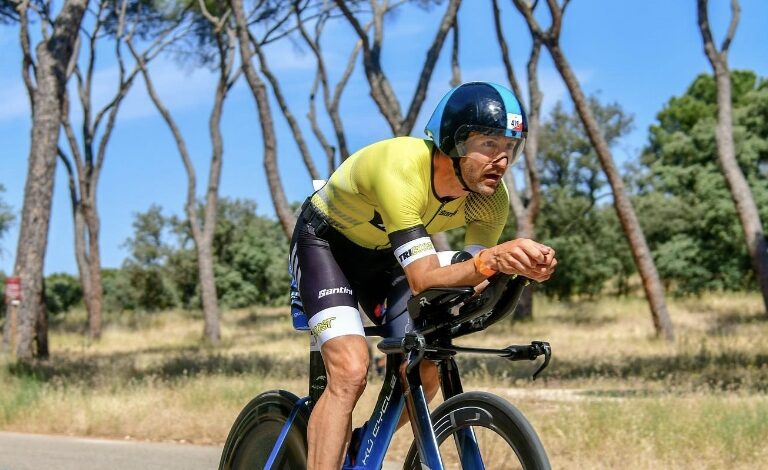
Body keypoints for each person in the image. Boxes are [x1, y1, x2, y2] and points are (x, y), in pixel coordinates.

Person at [288, 81, 557, 469]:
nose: (501, 161)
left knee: (427, 362)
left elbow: (473, 271)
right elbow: (424, 278)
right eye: (489, 145)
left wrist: (516, 269)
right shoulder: (403, 168)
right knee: (349, 370)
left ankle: (361, 443)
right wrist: (493, 260)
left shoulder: (490, 199)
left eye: (509, 148)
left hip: (386, 260)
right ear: (454, 142)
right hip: (327, 247)